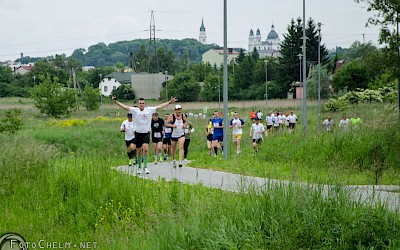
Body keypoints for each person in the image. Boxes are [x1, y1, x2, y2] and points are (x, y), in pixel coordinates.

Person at [112, 96, 177, 174]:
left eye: (143, 103)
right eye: (140, 103)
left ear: (145, 104)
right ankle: (139, 167)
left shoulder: (149, 110)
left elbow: (160, 106)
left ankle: (145, 167)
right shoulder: (134, 110)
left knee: (145, 149)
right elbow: (124, 106)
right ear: (138, 104)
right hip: (137, 133)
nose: (141, 105)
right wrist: (116, 101)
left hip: (146, 133)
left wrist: (170, 102)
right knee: (139, 151)